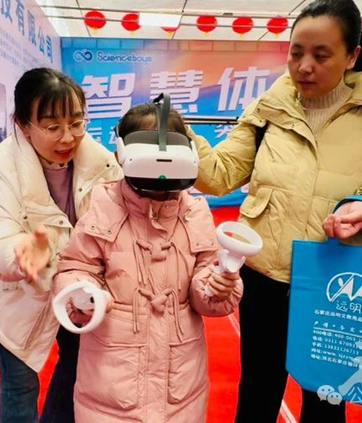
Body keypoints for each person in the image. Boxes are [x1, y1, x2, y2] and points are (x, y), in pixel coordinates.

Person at [188, 0, 362, 421]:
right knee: (258, 389)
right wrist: (184, 140)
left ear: (352, 56)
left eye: (321, 55)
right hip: (263, 276)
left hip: (335, 285)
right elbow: (221, 174)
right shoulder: (268, 110)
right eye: (296, 52)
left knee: (326, 400)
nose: (304, 66)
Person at [53, 101, 242, 422]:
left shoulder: (195, 215)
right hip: (112, 385)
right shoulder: (103, 208)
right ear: (121, 155)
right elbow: (76, 267)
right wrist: (84, 294)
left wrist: (215, 287)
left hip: (180, 384)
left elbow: (205, 278)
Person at [0, 68, 122, 423]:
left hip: (77, 288)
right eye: (53, 127)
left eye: (76, 123)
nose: (68, 138)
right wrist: (19, 253)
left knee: (77, 368)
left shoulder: (100, 161)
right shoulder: (0, 168)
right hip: (19, 295)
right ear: (23, 125)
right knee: (19, 384)